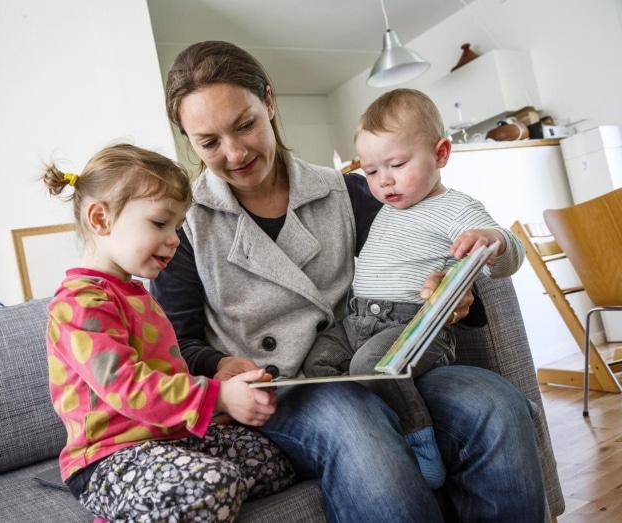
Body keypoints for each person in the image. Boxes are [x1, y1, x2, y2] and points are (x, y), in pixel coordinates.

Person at [150, 40, 546, 522]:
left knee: (497, 406)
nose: (234, 153)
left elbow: (414, 256)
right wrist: (218, 363)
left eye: (245, 124)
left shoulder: (349, 190)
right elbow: (172, 343)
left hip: (379, 361)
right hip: (286, 390)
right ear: (188, 141)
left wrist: (453, 296)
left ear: (269, 103)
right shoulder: (184, 225)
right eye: (209, 142)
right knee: (360, 428)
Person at [42, 142, 294, 522]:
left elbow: (164, 379)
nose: (175, 238)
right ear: (100, 219)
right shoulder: (80, 305)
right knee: (214, 485)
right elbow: (128, 388)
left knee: (275, 462)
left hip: (164, 441)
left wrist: (218, 385)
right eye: (160, 223)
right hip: (107, 460)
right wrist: (217, 397)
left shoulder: (137, 294)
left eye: (177, 226)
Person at [302, 88, 526, 490]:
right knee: (317, 361)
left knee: (369, 365)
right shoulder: (387, 208)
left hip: (416, 324)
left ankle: (419, 442)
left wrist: (492, 240)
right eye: (370, 171)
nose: (384, 181)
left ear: (441, 154)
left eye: (397, 164)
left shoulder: (455, 208)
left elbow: (511, 258)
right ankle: (372, 432)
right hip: (358, 320)